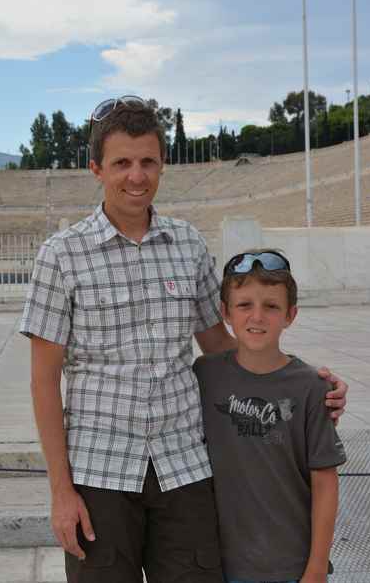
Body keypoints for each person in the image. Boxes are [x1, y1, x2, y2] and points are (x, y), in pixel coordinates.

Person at [20, 95, 348, 582]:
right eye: (122, 163)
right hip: (99, 471)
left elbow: (222, 346)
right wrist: (61, 492)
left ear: (162, 164)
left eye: (148, 161)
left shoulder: (188, 245)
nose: (137, 176)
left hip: (184, 467)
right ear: (96, 169)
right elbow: (45, 383)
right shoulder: (61, 256)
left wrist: (299, 383)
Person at [194, 250, 345, 583]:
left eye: (271, 306)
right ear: (225, 313)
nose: (257, 317)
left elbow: (325, 481)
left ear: (290, 315)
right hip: (216, 564)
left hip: (289, 566)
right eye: (244, 305)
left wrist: (317, 568)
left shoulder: (310, 386)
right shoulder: (204, 376)